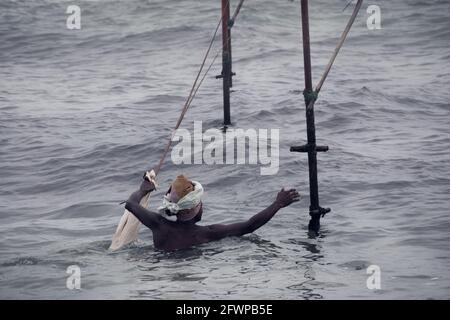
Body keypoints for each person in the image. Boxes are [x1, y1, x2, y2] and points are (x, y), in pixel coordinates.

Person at [125, 171, 301, 251]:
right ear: (192, 209)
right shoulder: (207, 233)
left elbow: (131, 204)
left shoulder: (158, 225)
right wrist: (278, 204)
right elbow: (249, 226)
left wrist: (143, 189)